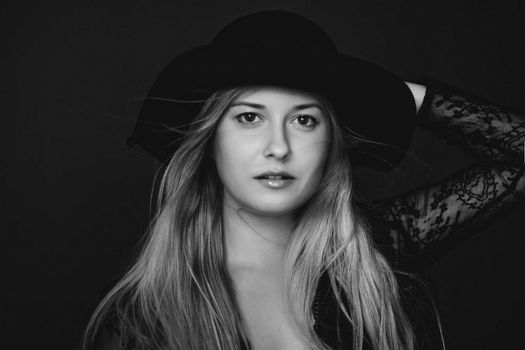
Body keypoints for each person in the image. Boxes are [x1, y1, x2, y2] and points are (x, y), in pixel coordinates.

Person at [83, 10, 525, 350]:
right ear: (210, 140)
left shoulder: (378, 254)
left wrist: (405, 96)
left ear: (333, 144)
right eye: (250, 117)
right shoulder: (139, 315)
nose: (278, 146)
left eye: (305, 120)